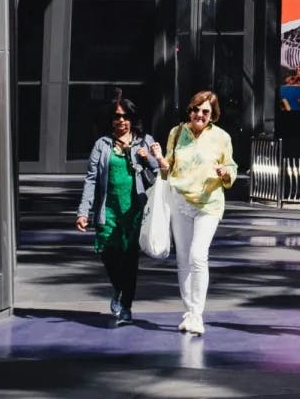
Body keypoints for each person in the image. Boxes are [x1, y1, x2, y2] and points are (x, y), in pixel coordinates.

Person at [150, 89, 237, 336]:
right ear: (190, 110)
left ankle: (197, 315)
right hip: (180, 202)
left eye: (206, 111)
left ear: (213, 115)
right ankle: (189, 312)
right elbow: (168, 169)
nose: (200, 115)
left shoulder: (222, 137)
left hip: (209, 204)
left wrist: (226, 173)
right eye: (196, 110)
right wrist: (159, 159)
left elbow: (231, 167)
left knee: (198, 256)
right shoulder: (177, 133)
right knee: (183, 259)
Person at [76, 92, 162, 325]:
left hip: (134, 210)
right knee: (108, 253)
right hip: (109, 209)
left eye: (125, 117)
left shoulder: (144, 141)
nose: (120, 121)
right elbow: (91, 180)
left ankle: (126, 306)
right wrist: (83, 212)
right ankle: (118, 288)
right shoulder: (102, 145)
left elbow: (159, 175)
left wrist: (149, 159)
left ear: (132, 119)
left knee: (130, 259)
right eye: (116, 117)